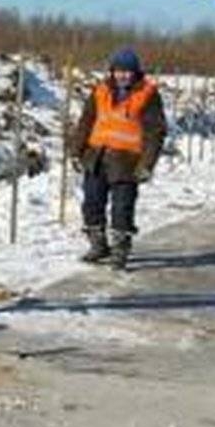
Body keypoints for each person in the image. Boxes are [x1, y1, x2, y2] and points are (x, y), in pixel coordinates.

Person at [70, 47, 167, 270]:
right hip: (96, 157)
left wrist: (147, 165)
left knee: (122, 208)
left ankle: (121, 250)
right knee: (92, 204)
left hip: (127, 162)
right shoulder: (100, 91)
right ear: (112, 71)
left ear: (135, 73)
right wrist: (76, 151)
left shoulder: (148, 95)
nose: (123, 75)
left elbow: (156, 133)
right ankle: (98, 245)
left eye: (128, 71)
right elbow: (86, 122)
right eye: (118, 71)